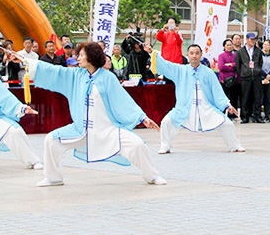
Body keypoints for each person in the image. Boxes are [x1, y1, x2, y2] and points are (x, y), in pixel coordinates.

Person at [21, 42, 165, 187]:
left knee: (137, 145)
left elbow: (124, 100)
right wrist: (27, 63)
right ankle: (53, 178)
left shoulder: (108, 77)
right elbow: (54, 71)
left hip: (108, 130)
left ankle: (152, 176)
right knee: (51, 140)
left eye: (82, 55)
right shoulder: (76, 75)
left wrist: (143, 118)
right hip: (80, 130)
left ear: (91, 57)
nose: (78, 58)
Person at [154, 45, 244, 154]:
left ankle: (235, 145)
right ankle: (165, 145)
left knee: (227, 124)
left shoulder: (208, 72)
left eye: (197, 53)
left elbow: (217, 91)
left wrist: (227, 105)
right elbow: (166, 65)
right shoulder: (180, 70)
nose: (194, 56)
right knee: (166, 122)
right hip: (184, 108)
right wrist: (154, 54)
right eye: (191, 53)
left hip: (206, 108)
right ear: (187, 55)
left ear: (201, 55)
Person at [236, 32, 264, 123]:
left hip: (256, 76)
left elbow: (260, 63)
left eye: (254, 39)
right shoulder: (241, 51)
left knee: (257, 97)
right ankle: (245, 116)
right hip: (245, 77)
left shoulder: (258, 51)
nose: (253, 41)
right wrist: (243, 73)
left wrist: (257, 70)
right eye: (251, 39)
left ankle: (257, 116)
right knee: (245, 97)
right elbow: (238, 65)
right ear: (247, 39)